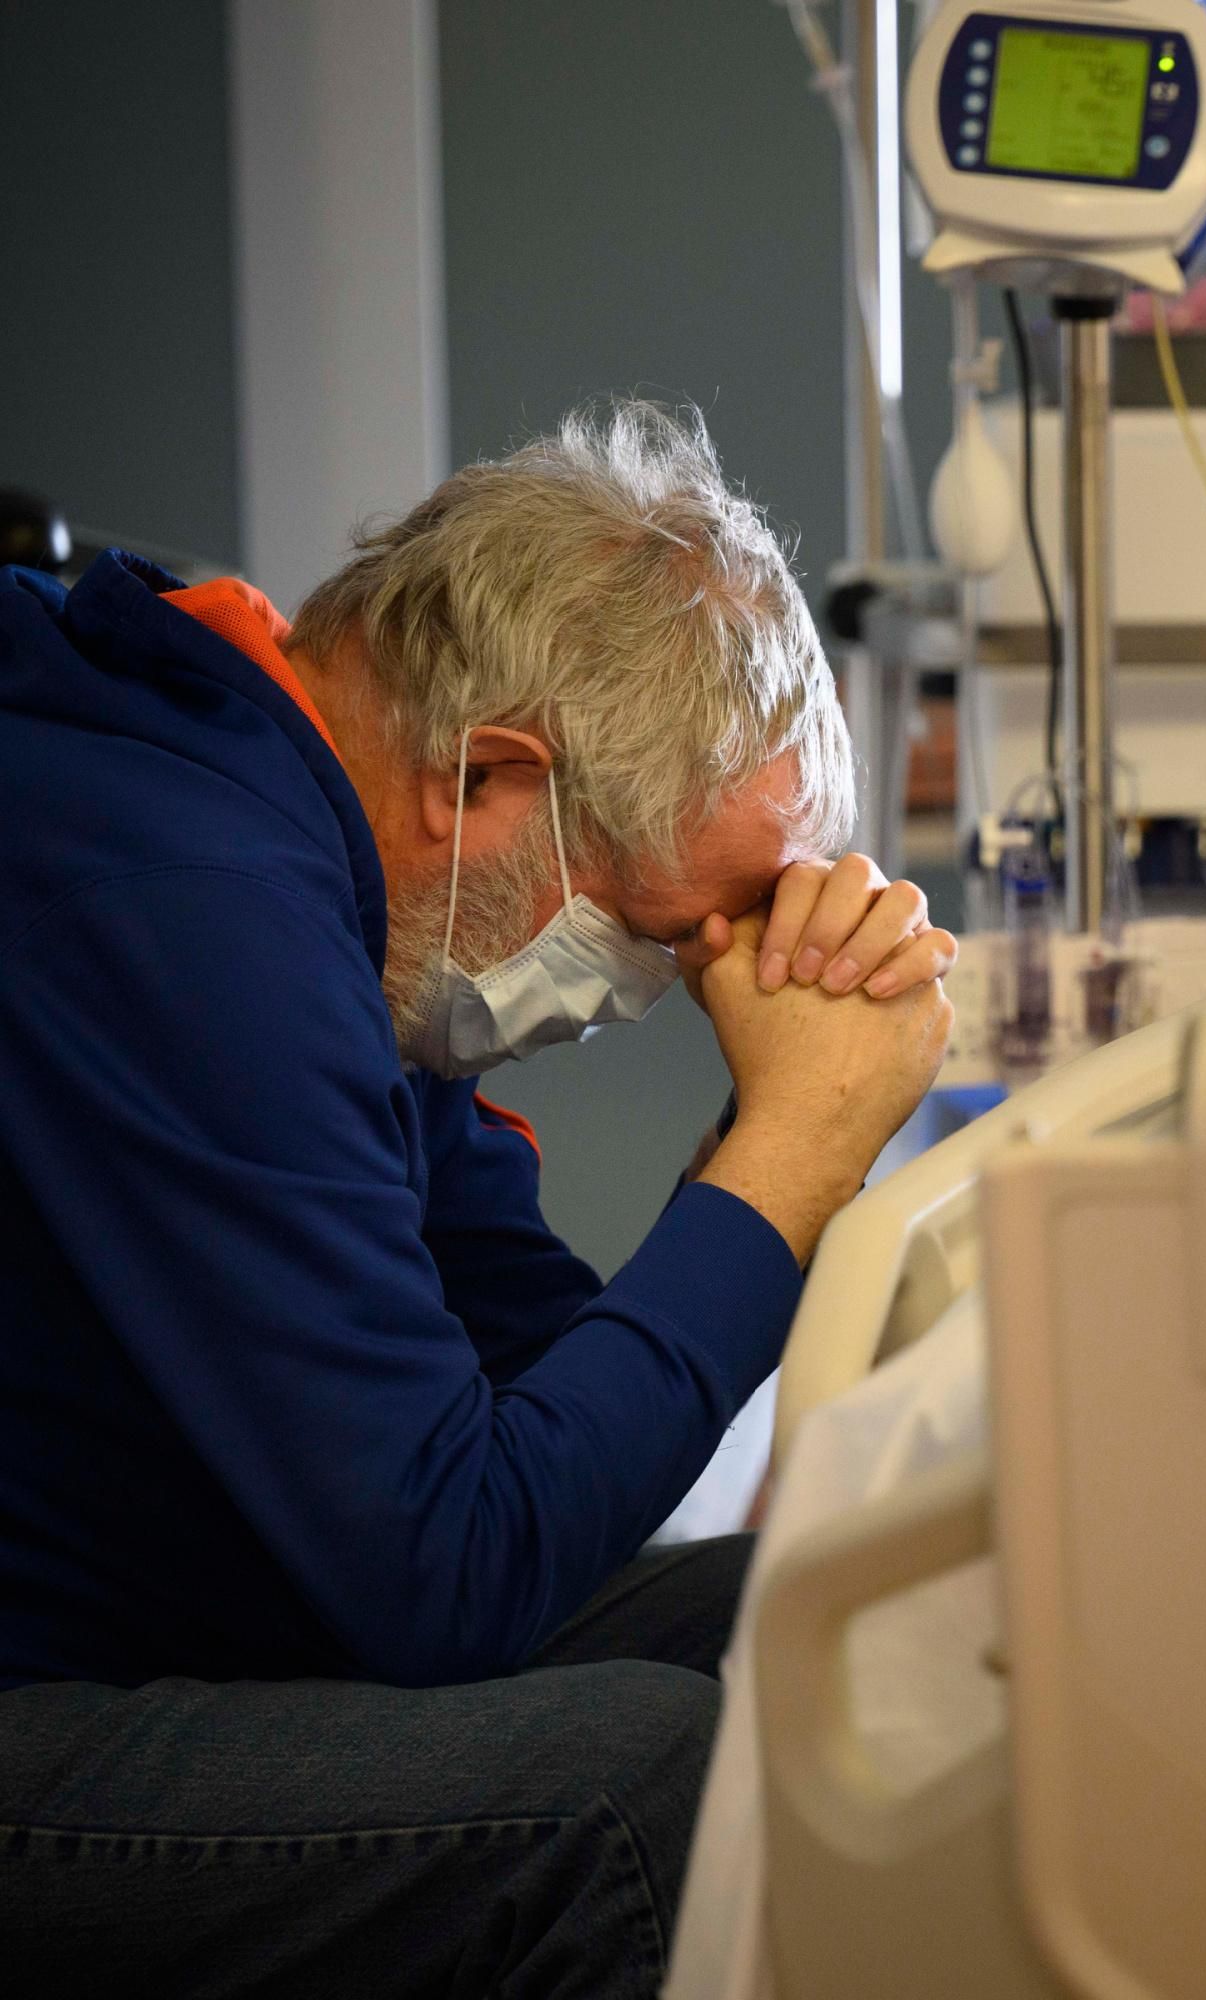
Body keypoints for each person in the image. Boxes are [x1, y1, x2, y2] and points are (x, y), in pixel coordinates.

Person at [0, 402, 957, 1997]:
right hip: (37, 1692)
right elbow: (451, 1572)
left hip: (160, 1611)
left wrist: (771, 1130)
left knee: (828, 1625)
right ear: (489, 780)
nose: (686, 984)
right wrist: (792, 1158)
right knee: (643, 1791)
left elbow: (538, 1403)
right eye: (677, 935)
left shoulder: (327, 878)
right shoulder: (189, 906)